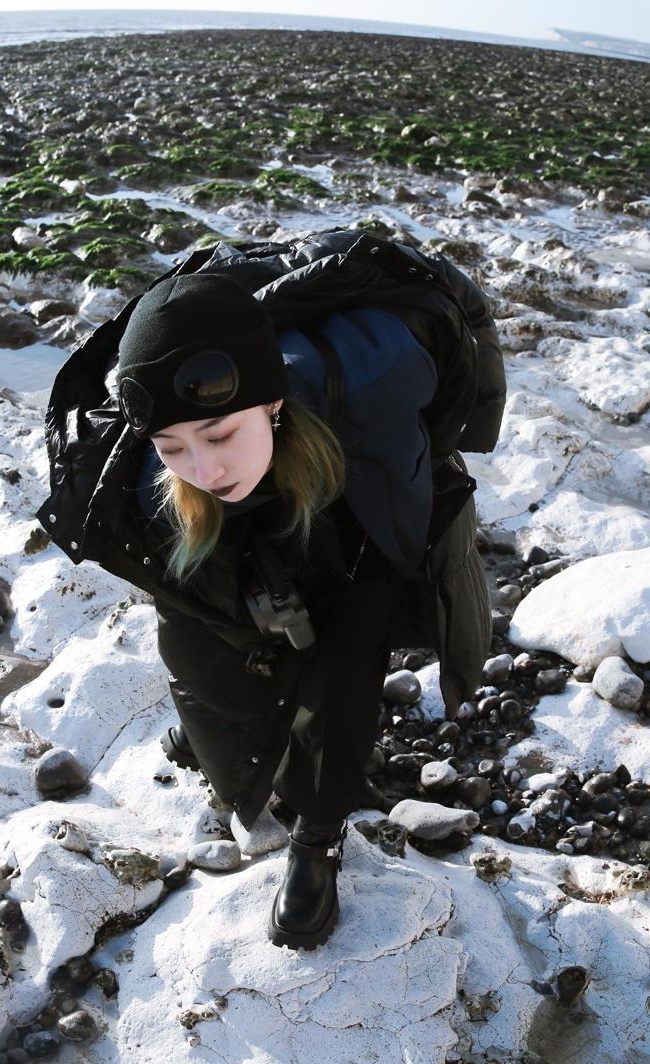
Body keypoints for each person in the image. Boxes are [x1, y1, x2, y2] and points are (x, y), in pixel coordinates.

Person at [38, 228, 505, 951]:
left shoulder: (377, 385)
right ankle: (225, 745)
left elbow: (367, 616)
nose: (203, 469)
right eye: (173, 446)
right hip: (272, 472)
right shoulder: (147, 475)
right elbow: (191, 622)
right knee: (206, 621)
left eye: (219, 435)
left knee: (348, 648)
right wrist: (227, 737)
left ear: (272, 403)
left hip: (351, 475)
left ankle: (319, 837)